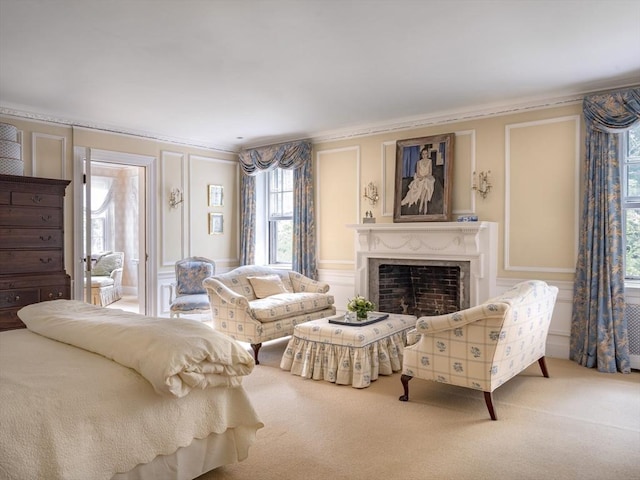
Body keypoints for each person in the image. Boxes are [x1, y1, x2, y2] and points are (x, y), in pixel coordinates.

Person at [401, 147, 435, 214]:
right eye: (423, 154)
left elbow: (430, 173)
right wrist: (421, 177)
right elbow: (418, 173)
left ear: (427, 154)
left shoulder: (430, 161)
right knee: (423, 184)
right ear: (421, 154)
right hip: (419, 178)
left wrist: (425, 177)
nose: (424, 155)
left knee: (426, 182)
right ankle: (425, 205)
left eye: (426, 154)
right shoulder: (419, 162)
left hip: (428, 178)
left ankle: (421, 205)